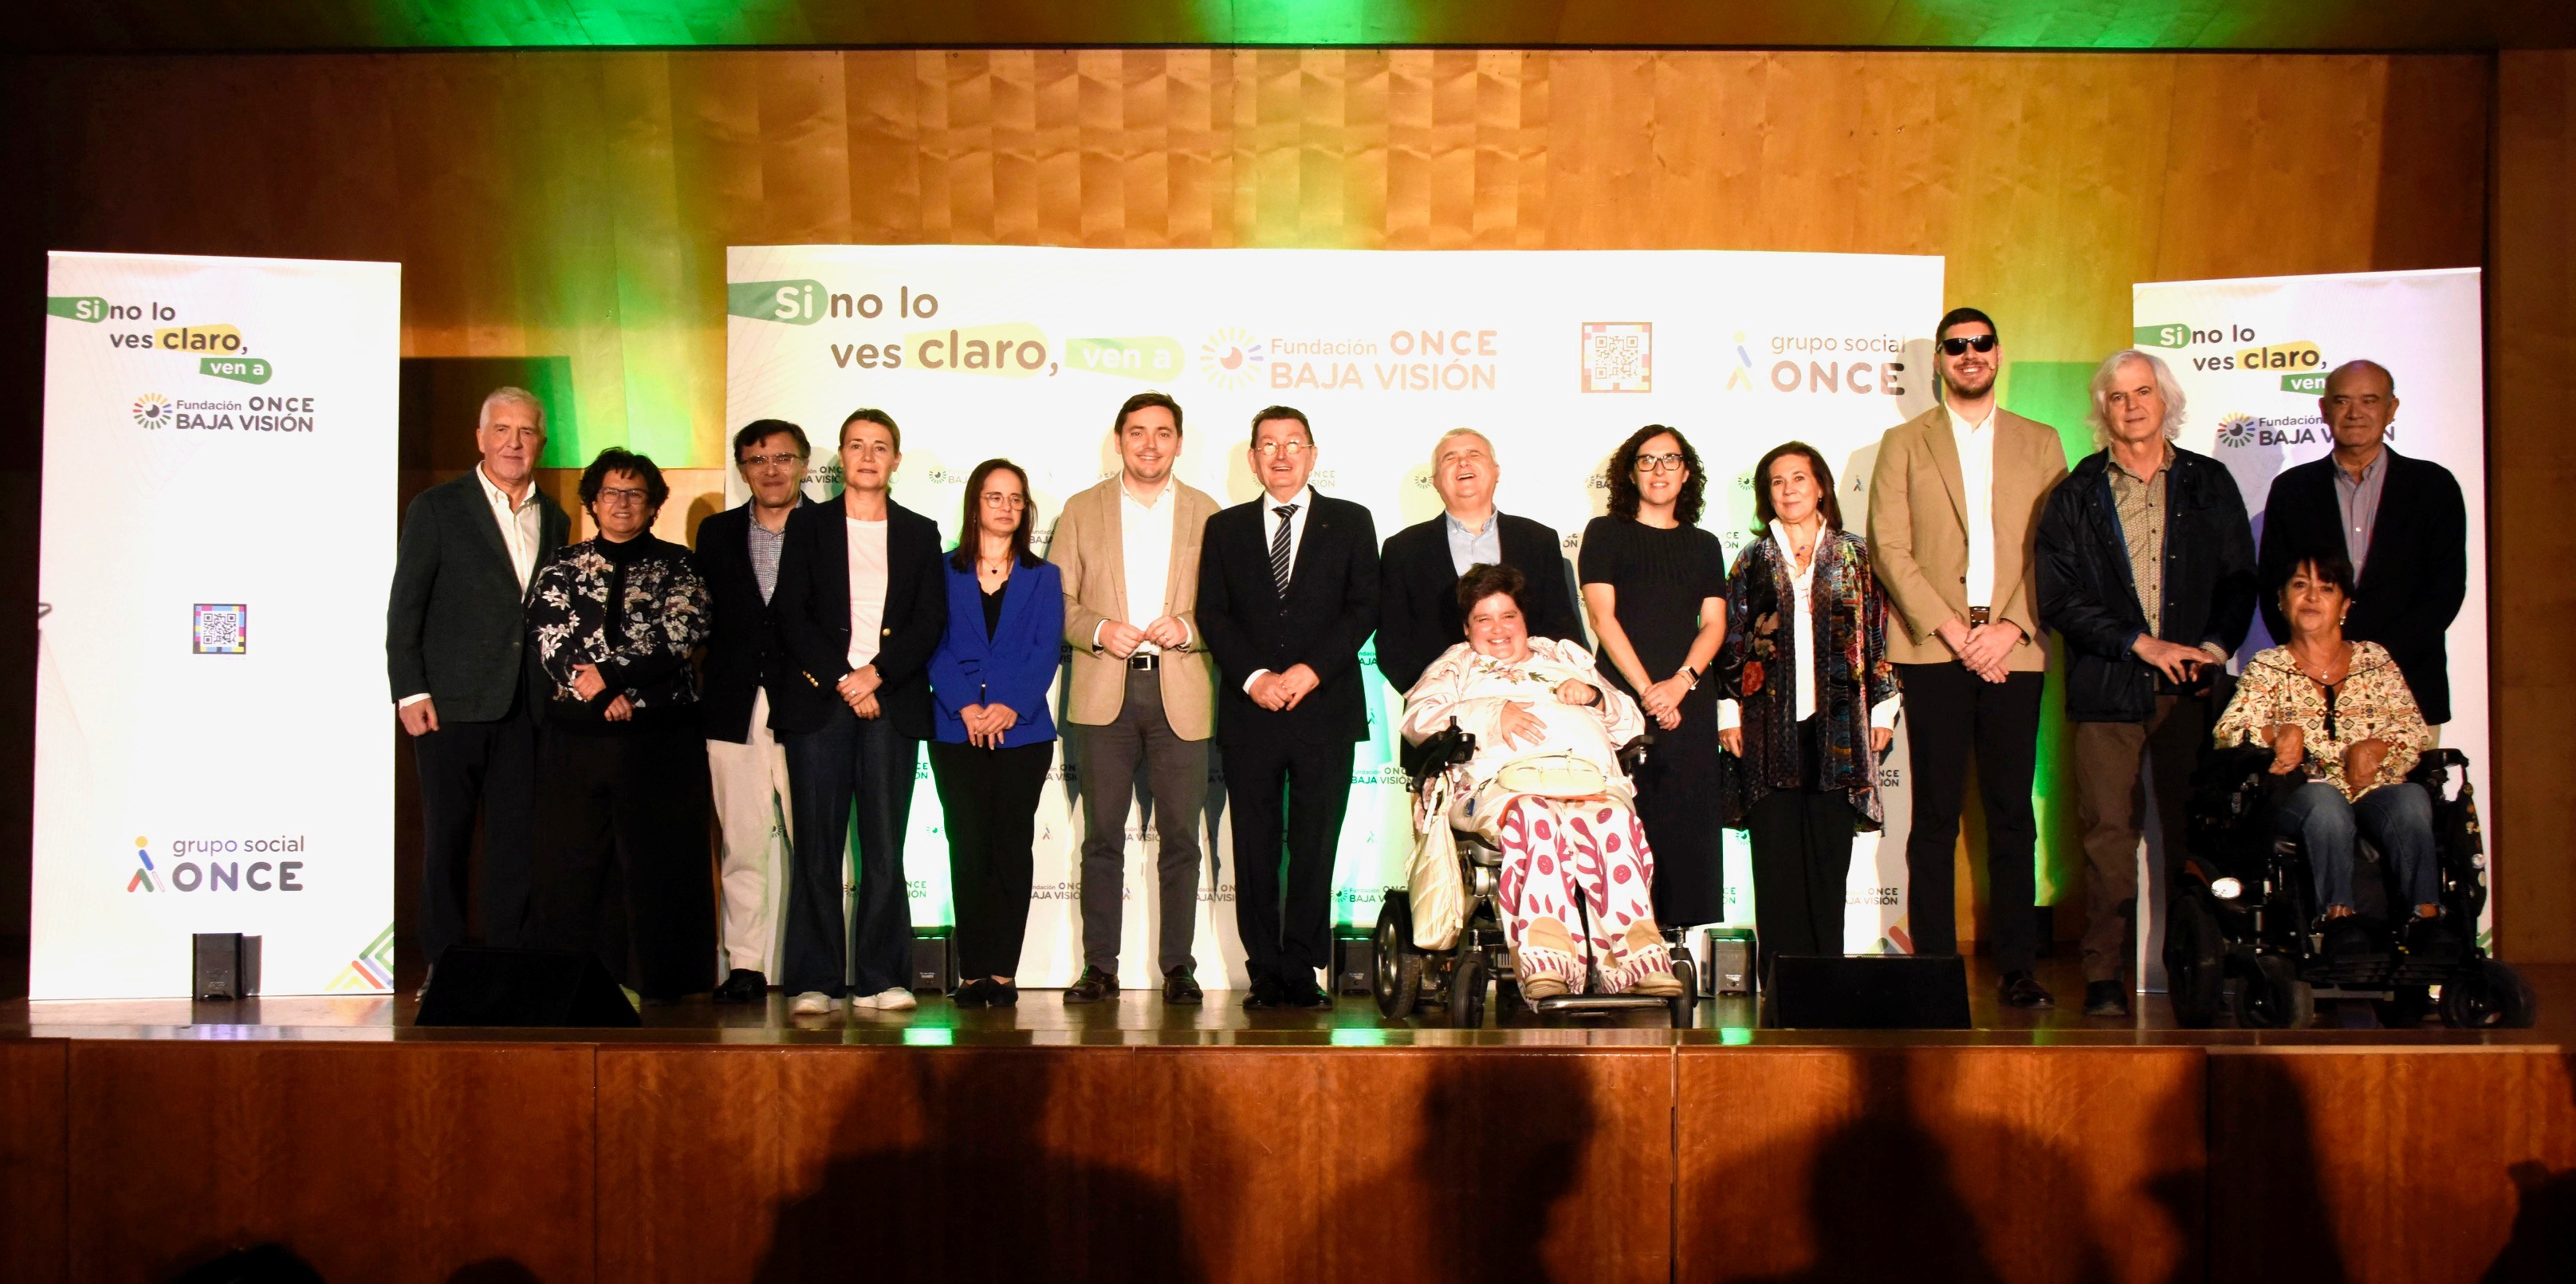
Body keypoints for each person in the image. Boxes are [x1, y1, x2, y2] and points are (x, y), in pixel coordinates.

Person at [2036, 351, 2257, 1018]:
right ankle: (2103, 976)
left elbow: (2239, 579)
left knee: (2197, 835)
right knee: (2106, 837)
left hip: (2192, 688)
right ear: (2100, 411)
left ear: (2165, 402)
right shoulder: (2075, 493)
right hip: (2107, 688)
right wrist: (2140, 644)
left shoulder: (2208, 483)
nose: (2131, 405)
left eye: (2142, 392)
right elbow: (2059, 600)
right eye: (2116, 396)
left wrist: (2213, 648)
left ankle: (2201, 967)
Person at [1867, 306, 2067, 1010]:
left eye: (1981, 343)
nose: (1969, 355)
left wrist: (2008, 628)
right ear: (1940, 363)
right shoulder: (1903, 443)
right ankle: (1934, 964)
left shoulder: (2041, 441)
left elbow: (2054, 548)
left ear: (1997, 353)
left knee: (2012, 811)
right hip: (1932, 648)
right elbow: (1888, 546)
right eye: (1956, 347)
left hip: (2014, 644)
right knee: (1935, 814)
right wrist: (1955, 632)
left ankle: (2018, 966)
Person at [1400, 564, 1682, 998]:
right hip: (1502, 788)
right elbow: (1418, 720)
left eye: (1508, 616)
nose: (1498, 629)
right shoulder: (1457, 665)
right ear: (1466, 627)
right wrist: (1491, 715)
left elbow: (1629, 724)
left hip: (1587, 781)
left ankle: (1639, 962)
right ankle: (1546, 965)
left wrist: (1594, 696)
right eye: (1483, 619)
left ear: (1524, 620)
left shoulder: (1563, 656)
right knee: (1534, 819)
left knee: (1613, 820)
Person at [386, 385, 570, 993]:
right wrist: (409, 690)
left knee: (516, 842)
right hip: (450, 705)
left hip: (527, 706)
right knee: (447, 839)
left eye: (525, 432)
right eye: (501, 430)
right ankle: (444, 964)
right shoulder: (438, 507)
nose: (513, 443)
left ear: (541, 441)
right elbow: (405, 606)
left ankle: (508, 960)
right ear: (480, 437)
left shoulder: (557, 516)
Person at [1196, 405, 1380, 1010]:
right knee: (1251, 846)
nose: (1280, 455)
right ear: (1252, 458)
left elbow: (1362, 608)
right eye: (1267, 445)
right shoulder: (1224, 530)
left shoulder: (1351, 522)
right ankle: (1263, 971)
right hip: (1250, 712)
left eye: (1292, 443)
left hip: (1323, 710)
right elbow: (1213, 614)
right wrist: (1254, 678)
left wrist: (1307, 671)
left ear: (1312, 454)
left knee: (1313, 844)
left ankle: (1301, 968)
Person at [770, 409, 948, 1016]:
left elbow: (929, 621)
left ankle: (880, 976)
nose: (868, 456)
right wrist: (846, 678)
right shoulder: (808, 526)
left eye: (880, 447)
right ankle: (813, 979)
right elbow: (791, 614)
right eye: (856, 445)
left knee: (882, 847)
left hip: (890, 704)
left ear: (896, 460)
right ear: (840, 459)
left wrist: (879, 674)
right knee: (816, 846)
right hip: (822, 705)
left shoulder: (921, 532)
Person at [523, 448, 716, 1002]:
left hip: (660, 739)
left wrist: (609, 680)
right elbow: (547, 631)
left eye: (635, 493)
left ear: (654, 504)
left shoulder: (680, 564)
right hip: (574, 739)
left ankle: (666, 981)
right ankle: (573, 978)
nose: (622, 503)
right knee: (573, 865)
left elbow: (683, 631)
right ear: (592, 501)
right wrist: (596, 691)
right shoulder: (562, 565)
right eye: (610, 492)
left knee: (661, 863)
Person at [1048, 392, 1221, 1005]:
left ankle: (1178, 967)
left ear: (1177, 442)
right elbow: (1057, 603)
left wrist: (1192, 628)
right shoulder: (1079, 510)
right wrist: (1098, 630)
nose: (1150, 444)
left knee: (1180, 837)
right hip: (1103, 690)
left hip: (1181, 689)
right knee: (1101, 839)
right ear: (1118, 440)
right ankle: (1100, 968)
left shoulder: (1209, 513)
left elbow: (1227, 607)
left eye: (1163, 433)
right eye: (1137, 433)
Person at [2211, 552, 2459, 966]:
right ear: (2282, 600)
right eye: (2300, 586)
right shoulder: (2268, 668)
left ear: (2345, 606)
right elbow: (2229, 731)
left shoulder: (2374, 661)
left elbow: (2413, 730)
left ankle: (2426, 919)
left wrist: (2376, 747)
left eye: (2326, 588)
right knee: (2326, 804)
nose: (2312, 597)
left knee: (2413, 799)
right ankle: (2338, 920)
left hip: (2375, 790)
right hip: (2304, 796)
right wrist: (2278, 733)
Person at [1717, 443, 1900, 982]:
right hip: (1764, 730)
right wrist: (1727, 712)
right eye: (1776, 481)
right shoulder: (1752, 560)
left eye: (1799, 478)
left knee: (1827, 867)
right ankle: (1781, 988)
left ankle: (1827, 985)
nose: (1789, 489)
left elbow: (1879, 635)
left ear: (1820, 486)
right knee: (1775, 869)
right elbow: (1731, 641)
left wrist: (1885, 711)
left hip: (1840, 731)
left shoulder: (1856, 556)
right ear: (1765, 494)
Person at [2255, 360, 2468, 728]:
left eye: (2370, 400)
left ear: (2392, 409)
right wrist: (2316, 661)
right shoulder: (2293, 491)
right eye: (2342, 401)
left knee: (2408, 790)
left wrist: (2370, 663)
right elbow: (2274, 590)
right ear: (2323, 409)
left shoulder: (2434, 487)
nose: (2355, 413)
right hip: (2312, 691)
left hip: (2409, 686)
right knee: (2315, 790)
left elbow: (2444, 593)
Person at [926, 459, 1064, 1007]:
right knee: (967, 846)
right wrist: (965, 706)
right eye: (994, 497)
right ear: (974, 504)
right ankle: (971, 971)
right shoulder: (940, 571)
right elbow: (930, 645)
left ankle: (1003, 973)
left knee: (1010, 847)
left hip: (1022, 732)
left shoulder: (1042, 575)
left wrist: (1008, 705)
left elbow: (1045, 647)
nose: (1006, 507)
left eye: (1015, 498)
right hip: (954, 730)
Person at [1578, 425, 1727, 930]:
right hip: (1621, 697)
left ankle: (1674, 948)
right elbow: (1603, 619)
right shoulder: (1605, 533)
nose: (1659, 470)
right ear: (1630, 472)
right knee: (1619, 820)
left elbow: (1715, 624)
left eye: (1670, 460)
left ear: (1687, 472)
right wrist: (1647, 691)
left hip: (1688, 701)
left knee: (1685, 825)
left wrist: (1681, 683)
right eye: (1647, 460)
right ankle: (1613, 941)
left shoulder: (1705, 544)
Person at [694, 419, 816, 1004]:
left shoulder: (830, 528)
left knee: (817, 845)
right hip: (732, 706)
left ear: (804, 464)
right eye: (757, 459)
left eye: (783, 458)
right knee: (742, 843)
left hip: (810, 706)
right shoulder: (715, 533)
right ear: (742, 467)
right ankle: (743, 964)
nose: (771, 469)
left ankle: (818, 964)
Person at [1378, 428, 1585, 765]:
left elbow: (1562, 630)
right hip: (1445, 732)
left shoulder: (1539, 540)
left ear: (1496, 471)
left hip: (1536, 722)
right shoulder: (1403, 549)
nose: (1463, 462)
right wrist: (1445, 704)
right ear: (1434, 481)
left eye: (1474, 454)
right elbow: (1393, 646)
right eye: (1450, 458)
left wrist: (1545, 691)